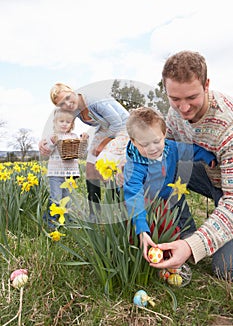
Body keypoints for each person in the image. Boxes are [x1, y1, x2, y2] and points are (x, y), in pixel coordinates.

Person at [153, 50, 233, 280]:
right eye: (175, 99)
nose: (184, 108)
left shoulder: (228, 124)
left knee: (225, 269)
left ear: (206, 84)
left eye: (191, 98)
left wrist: (193, 246)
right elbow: (165, 149)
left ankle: (190, 244)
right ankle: (185, 232)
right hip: (210, 176)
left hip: (230, 191)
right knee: (162, 163)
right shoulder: (175, 112)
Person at [123, 107, 217, 262]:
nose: (152, 148)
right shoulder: (134, 167)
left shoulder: (171, 148)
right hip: (148, 202)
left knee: (183, 216)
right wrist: (141, 227)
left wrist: (207, 156)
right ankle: (152, 248)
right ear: (133, 141)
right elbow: (134, 194)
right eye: (144, 144)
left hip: (170, 193)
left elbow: (190, 150)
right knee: (153, 226)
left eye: (156, 141)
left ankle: (190, 245)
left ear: (164, 135)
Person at [39, 83, 129, 220]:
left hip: (124, 126)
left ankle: (120, 209)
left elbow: (117, 123)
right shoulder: (73, 108)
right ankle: (95, 214)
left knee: (105, 162)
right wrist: (44, 141)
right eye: (62, 103)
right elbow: (57, 122)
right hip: (106, 128)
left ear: (73, 91)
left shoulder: (94, 101)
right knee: (90, 166)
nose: (68, 104)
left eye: (68, 98)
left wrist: (103, 144)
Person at [44, 108, 88, 225]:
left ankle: (66, 217)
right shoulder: (53, 136)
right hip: (55, 173)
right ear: (55, 122)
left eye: (67, 122)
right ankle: (51, 219)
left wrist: (83, 141)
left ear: (72, 124)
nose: (64, 124)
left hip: (70, 174)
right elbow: (47, 151)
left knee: (67, 198)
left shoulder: (74, 136)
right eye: (61, 121)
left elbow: (81, 153)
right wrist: (52, 142)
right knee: (56, 198)